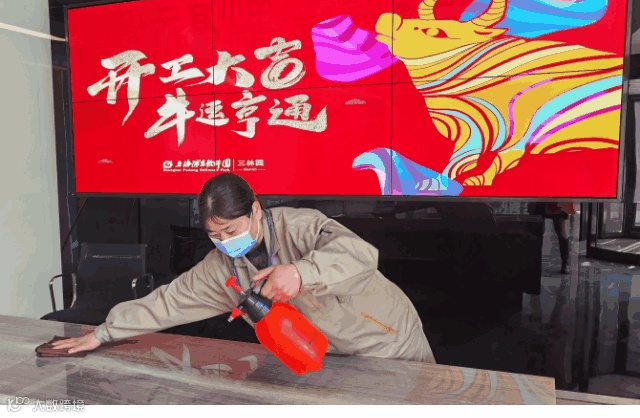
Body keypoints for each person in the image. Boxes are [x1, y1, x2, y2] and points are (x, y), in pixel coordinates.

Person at [52, 173, 436, 363]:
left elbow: (361, 255)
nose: (224, 241)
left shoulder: (301, 227)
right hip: (324, 357)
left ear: (254, 209)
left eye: (231, 230)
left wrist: (302, 272)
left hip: (388, 342)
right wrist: (103, 333)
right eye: (214, 234)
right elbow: (168, 302)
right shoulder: (222, 268)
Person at [528, 202, 576, 274]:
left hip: (558, 202)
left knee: (562, 232)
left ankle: (565, 262)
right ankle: (533, 262)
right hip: (539, 202)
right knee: (535, 232)